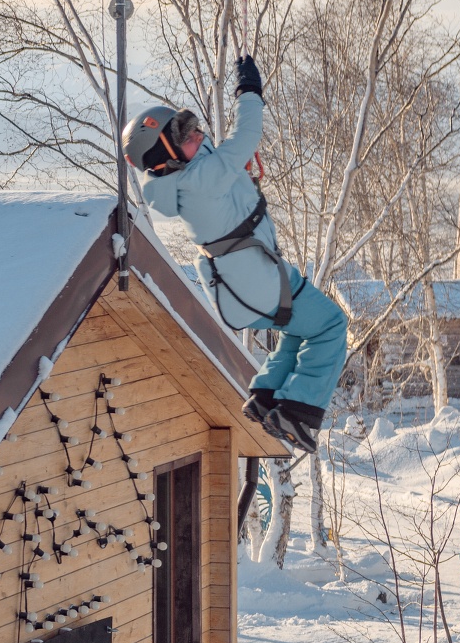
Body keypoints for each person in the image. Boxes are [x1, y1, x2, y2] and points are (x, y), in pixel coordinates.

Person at [122, 55, 348, 452]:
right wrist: (248, 92)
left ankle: (266, 398)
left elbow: (210, 154)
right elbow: (246, 133)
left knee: (299, 330)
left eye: (193, 126)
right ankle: (300, 409)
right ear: (166, 156)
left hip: (240, 290)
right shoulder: (201, 179)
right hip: (258, 282)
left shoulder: (184, 180)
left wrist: (219, 157)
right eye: (185, 134)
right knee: (330, 325)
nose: (196, 134)